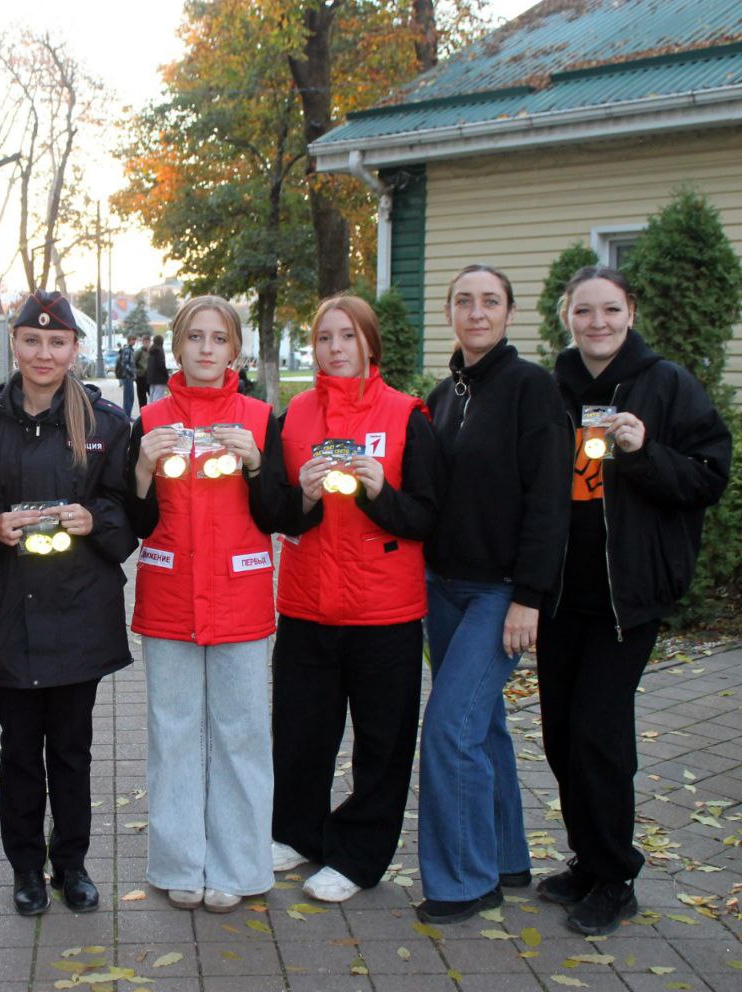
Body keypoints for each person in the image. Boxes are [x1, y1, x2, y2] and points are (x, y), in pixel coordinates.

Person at [537, 266, 730, 935]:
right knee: (560, 736)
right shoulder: (553, 388)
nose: (597, 323)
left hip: (629, 597)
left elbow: (709, 477)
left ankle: (616, 879)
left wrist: (644, 451)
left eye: (610, 311)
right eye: (584, 312)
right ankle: (589, 861)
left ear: (630, 312)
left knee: (599, 735)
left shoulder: (665, 384)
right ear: (567, 316)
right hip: (563, 594)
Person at [0, 291, 135, 917]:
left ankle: (70, 864)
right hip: (9, 613)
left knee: (73, 750)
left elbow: (132, 519)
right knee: (20, 750)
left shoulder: (105, 425)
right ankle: (26, 866)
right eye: (32, 340)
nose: (44, 352)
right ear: (15, 346)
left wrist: (93, 517)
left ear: (75, 349)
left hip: (79, 613)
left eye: (57, 342)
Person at [269, 295, 442, 904]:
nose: (335, 348)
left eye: (348, 336)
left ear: (371, 344)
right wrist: (306, 499)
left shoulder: (407, 415)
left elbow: (426, 515)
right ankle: (295, 832)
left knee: (382, 742)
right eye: (324, 337)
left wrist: (378, 493)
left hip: (383, 610)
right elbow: (275, 511)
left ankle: (358, 855)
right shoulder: (293, 417)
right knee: (300, 732)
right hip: (307, 602)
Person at [416, 264, 571, 925]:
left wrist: (530, 597)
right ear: (450, 312)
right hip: (442, 588)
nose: (476, 312)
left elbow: (549, 501)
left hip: (499, 592)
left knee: (449, 730)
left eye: (490, 302)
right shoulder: (442, 394)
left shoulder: (532, 389)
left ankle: (463, 881)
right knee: (484, 727)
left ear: (510, 313)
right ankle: (507, 858)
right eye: (463, 301)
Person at [126, 295, 282, 913]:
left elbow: (279, 513)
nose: (207, 349)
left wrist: (256, 466)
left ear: (235, 351)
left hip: (241, 600)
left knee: (243, 734)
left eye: (219, 339)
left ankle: (240, 866)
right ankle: (179, 862)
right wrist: (141, 465)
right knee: (173, 733)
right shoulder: (151, 418)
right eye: (196, 337)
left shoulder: (262, 418)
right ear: (179, 347)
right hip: (169, 600)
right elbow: (135, 521)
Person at [117, 334, 137, 418]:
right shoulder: (127, 350)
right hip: (127, 377)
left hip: (129, 377)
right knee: (128, 397)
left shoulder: (130, 350)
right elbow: (124, 364)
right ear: (129, 340)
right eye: (133, 340)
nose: (134, 342)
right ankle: (126, 416)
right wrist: (132, 372)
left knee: (130, 397)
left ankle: (127, 415)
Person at [146, 334, 169, 403]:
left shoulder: (151, 350)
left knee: (152, 396)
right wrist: (166, 375)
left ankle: (151, 412)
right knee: (158, 397)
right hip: (159, 378)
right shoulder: (159, 350)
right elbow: (161, 365)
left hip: (151, 378)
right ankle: (155, 412)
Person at [135, 333, 152, 407]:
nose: (146, 343)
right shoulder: (139, 351)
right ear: (142, 342)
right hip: (141, 376)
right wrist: (137, 372)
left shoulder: (152, 351)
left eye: (148, 342)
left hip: (150, 377)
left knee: (151, 395)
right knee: (142, 397)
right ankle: (143, 414)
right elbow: (134, 362)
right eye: (145, 341)